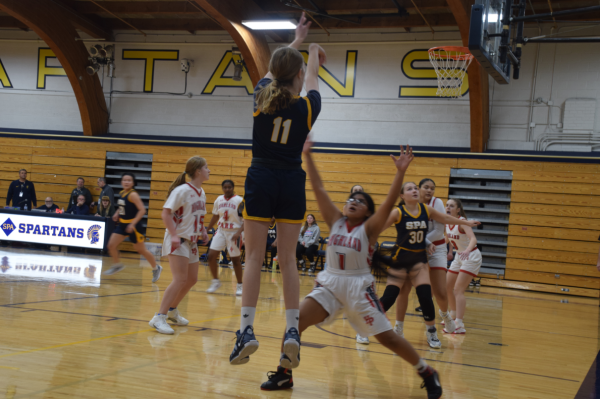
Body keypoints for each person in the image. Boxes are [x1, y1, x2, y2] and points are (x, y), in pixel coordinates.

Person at [260, 143, 443, 399]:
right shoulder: (335, 220)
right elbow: (319, 187)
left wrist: (400, 171)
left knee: (387, 338)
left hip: (359, 287)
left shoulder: (369, 228)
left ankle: (426, 371)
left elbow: (391, 200)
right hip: (330, 284)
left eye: (360, 201)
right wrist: (307, 155)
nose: (353, 203)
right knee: (295, 322)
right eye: (351, 199)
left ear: (368, 211)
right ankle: (284, 373)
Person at [229, 13, 326, 366]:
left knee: (254, 257)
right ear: (298, 74)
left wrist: (297, 44)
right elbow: (312, 78)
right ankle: (291, 330)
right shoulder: (308, 108)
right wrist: (312, 51)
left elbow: (275, 72)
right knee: (288, 260)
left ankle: (247, 330)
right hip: (291, 180)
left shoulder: (260, 98)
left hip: (261, 177)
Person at [370, 182, 479, 349]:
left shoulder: (426, 210)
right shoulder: (397, 212)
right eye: (410, 189)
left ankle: (432, 333)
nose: (414, 190)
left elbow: (445, 219)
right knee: (390, 296)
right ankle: (365, 327)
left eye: (415, 188)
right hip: (401, 259)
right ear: (402, 196)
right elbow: (378, 228)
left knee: (426, 296)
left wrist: (466, 222)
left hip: (419, 260)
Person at [149, 156, 209, 334]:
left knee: (191, 279)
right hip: (178, 239)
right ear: (198, 171)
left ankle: (172, 310)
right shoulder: (182, 190)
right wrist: (174, 235)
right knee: (180, 279)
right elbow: (165, 214)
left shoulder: (201, 192)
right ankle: (158, 317)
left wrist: (203, 231)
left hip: (191, 241)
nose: (209, 170)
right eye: (206, 168)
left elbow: (197, 215)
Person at [392, 178, 453, 340]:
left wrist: (424, 241)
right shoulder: (408, 204)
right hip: (415, 250)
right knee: (403, 290)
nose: (429, 191)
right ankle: (398, 326)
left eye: (432, 188)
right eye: (425, 187)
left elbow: (440, 231)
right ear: (418, 189)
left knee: (440, 291)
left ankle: (445, 315)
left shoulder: (436, 203)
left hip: (437, 248)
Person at [103, 173, 162, 282]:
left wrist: (133, 224)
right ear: (121, 182)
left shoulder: (133, 195)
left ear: (133, 183)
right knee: (111, 245)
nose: (126, 182)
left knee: (141, 250)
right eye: (124, 180)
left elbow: (142, 210)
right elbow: (122, 206)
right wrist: (117, 213)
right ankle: (117, 265)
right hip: (122, 224)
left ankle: (156, 268)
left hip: (133, 227)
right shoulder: (122, 193)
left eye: (129, 180)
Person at [445, 199, 482, 334]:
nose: (448, 207)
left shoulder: (462, 222)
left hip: (471, 256)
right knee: (447, 286)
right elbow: (447, 239)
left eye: (452, 206)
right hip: (459, 256)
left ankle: (459, 324)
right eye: (447, 205)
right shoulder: (448, 222)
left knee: (458, 290)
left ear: (458, 209)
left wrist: (466, 251)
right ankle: (453, 314)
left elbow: (473, 239)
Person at [205, 180, 244, 296]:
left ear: (233, 187)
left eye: (229, 187)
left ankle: (240, 285)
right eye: (225, 187)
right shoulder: (218, 200)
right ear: (222, 188)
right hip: (221, 231)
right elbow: (216, 215)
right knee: (211, 256)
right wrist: (207, 229)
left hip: (234, 233)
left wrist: (238, 233)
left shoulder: (240, 201)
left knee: (235, 261)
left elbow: (246, 220)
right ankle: (216, 281)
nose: (227, 189)